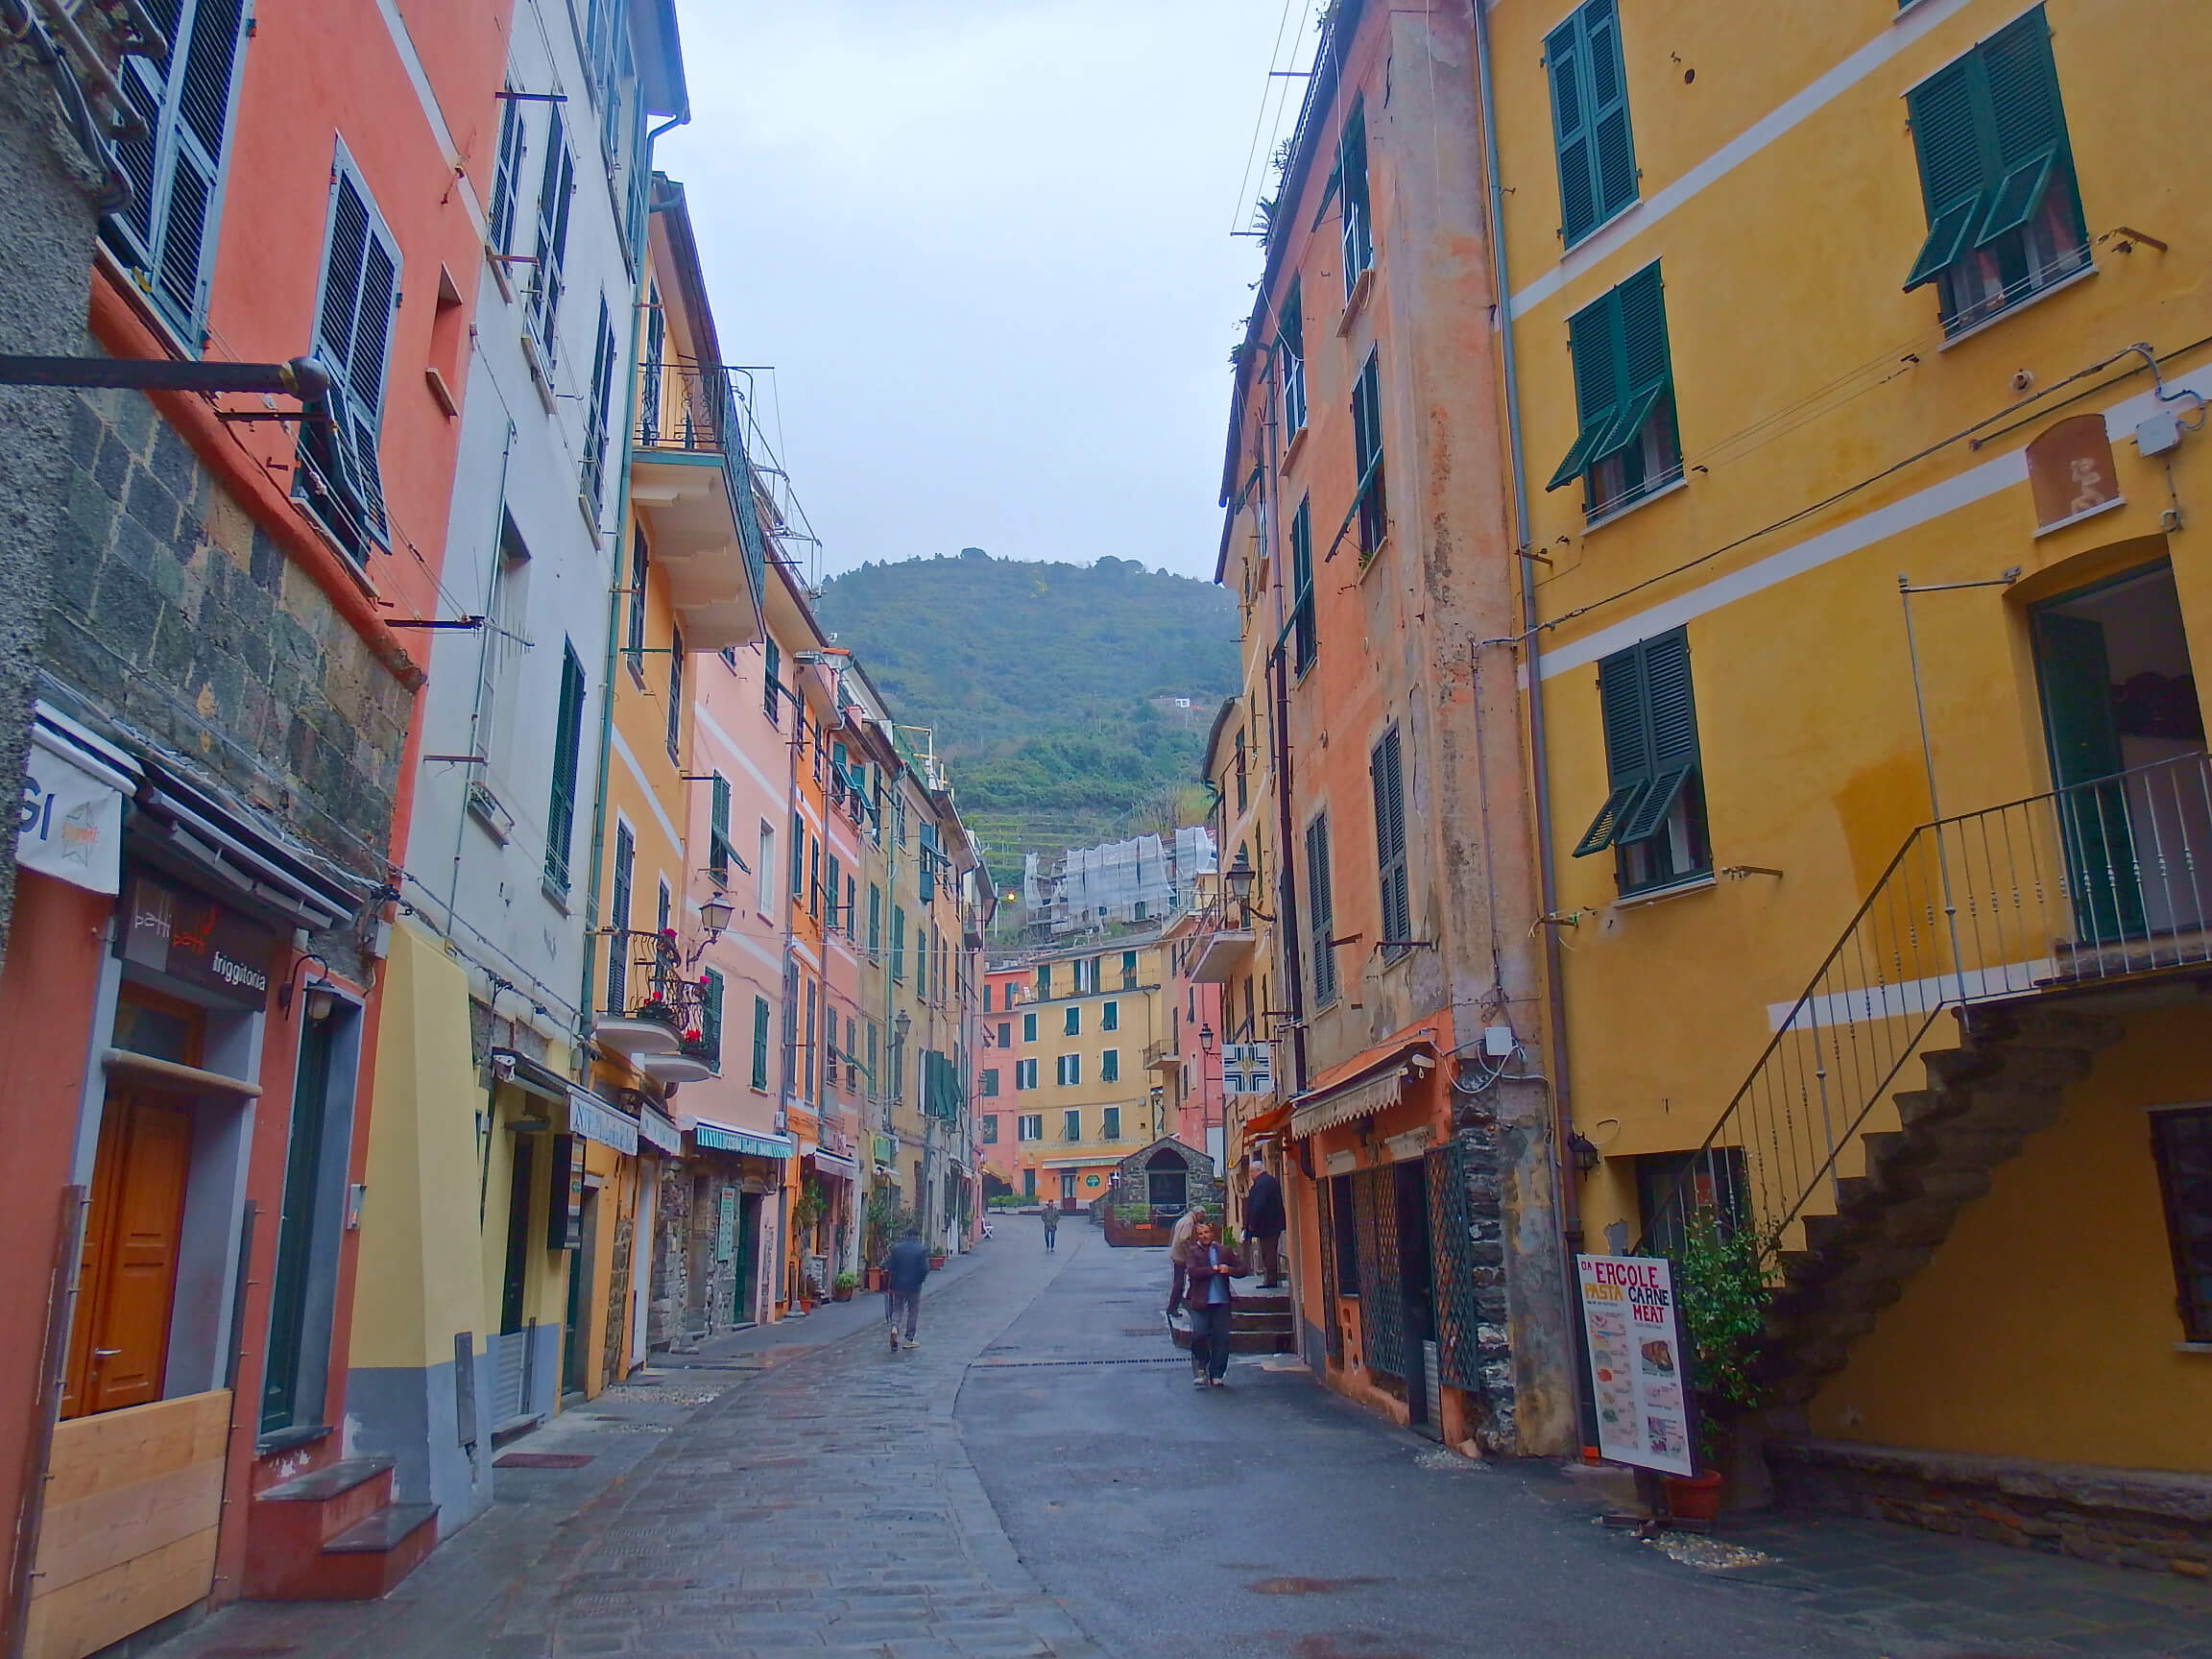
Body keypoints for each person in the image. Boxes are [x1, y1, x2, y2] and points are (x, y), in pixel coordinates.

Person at [1184, 1218, 1247, 1388]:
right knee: (1199, 1335)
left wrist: (1229, 1270)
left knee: (1221, 1338)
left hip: (1221, 1301)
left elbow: (1242, 1269)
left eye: (1207, 1232)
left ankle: (1217, 1373)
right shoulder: (1192, 1252)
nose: (1204, 1236)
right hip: (1199, 1300)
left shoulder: (1223, 1250)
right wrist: (1212, 1270)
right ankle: (1200, 1368)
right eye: (1201, 1233)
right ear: (1196, 1236)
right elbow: (1192, 1271)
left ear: (1212, 1233)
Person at [884, 1227, 929, 1351]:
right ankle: (909, 1339)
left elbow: (888, 1266)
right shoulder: (921, 1250)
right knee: (913, 1311)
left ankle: (894, 1328)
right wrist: (920, 1280)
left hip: (897, 1285)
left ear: (906, 1235)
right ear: (917, 1236)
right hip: (914, 1286)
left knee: (897, 1309)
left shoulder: (896, 1248)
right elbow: (925, 1269)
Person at [1244, 1157, 1286, 1288]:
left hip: (1266, 1225)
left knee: (1268, 1253)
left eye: (1251, 1172)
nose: (1250, 1175)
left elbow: (1258, 1205)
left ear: (1257, 1171)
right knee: (1270, 1251)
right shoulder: (1271, 1181)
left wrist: (1252, 1224)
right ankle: (1271, 1278)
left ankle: (1270, 1280)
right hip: (1273, 1224)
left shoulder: (1261, 1184)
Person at [1165, 1205, 1201, 1322]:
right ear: (1198, 1214)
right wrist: (1190, 1255)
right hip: (1181, 1256)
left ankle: (1176, 1305)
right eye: (1202, 1215)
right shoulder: (1189, 1222)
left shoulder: (1184, 1219)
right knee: (1180, 1282)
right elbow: (1184, 1240)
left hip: (1177, 1254)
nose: (1202, 1218)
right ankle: (1173, 1307)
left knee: (1180, 1281)